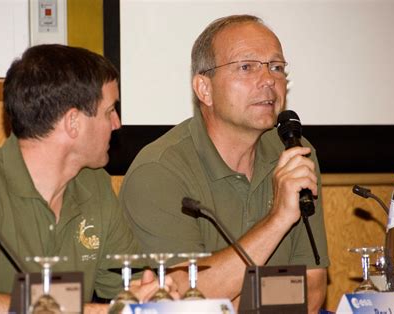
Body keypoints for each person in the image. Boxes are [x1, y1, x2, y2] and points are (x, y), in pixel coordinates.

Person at [0, 44, 175, 313]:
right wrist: (102, 312)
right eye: (109, 111)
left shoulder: (95, 184)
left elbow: (133, 284)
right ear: (73, 122)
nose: (117, 124)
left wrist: (154, 296)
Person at [119, 15, 329, 312]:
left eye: (277, 67)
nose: (269, 80)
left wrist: (228, 293)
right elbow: (182, 301)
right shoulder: (158, 171)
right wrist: (277, 219)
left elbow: (313, 286)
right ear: (204, 89)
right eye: (247, 67)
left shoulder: (295, 153)